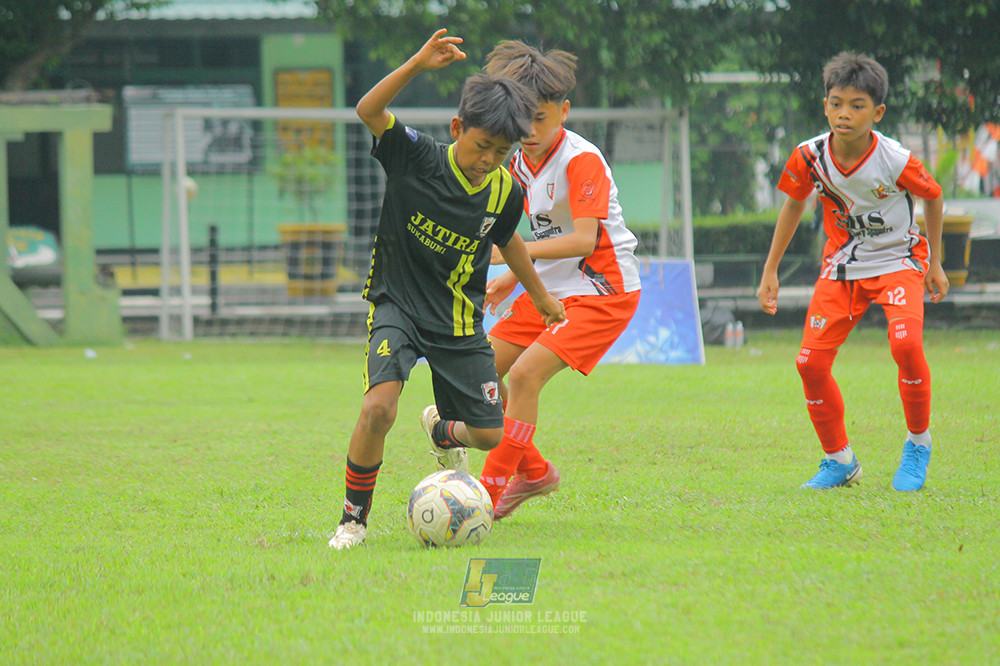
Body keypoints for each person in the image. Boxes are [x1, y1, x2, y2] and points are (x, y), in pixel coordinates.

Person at [329, 29, 565, 550]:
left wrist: (542, 297)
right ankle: (352, 520)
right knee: (379, 409)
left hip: (458, 321)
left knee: (487, 435)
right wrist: (416, 62)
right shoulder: (416, 157)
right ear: (458, 127)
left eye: (501, 152)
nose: (489, 160)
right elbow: (368, 109)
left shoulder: (506, 191)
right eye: (482, 146)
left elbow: (512, 243)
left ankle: (442, 430)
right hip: (398, 305)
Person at [445, 40, 641, 519]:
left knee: (526, 374)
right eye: (522, 120)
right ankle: (533, 471)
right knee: (481, 372)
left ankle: (485, 497)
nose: (530, 131)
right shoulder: (514, 161)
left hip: (602, 290)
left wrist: (506, 260)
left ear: (564, 111)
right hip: (548, 287)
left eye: (542, 118)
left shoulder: (581, 159)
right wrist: (513, 280)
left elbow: (581, 240)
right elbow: (523, 232)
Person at [757, 51, 949, 492]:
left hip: (900, 260)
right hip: (842, 268)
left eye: (857, 105)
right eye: (837, 102)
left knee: (906, 345)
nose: (845, 113)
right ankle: (839, 460)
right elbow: (793, 204)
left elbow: (934, 196)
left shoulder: (894, 159)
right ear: (825, 105)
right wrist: (771, 270)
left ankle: (918, 444)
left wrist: (934, 261)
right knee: (809, 364)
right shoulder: (808, 156)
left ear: (877, 113)